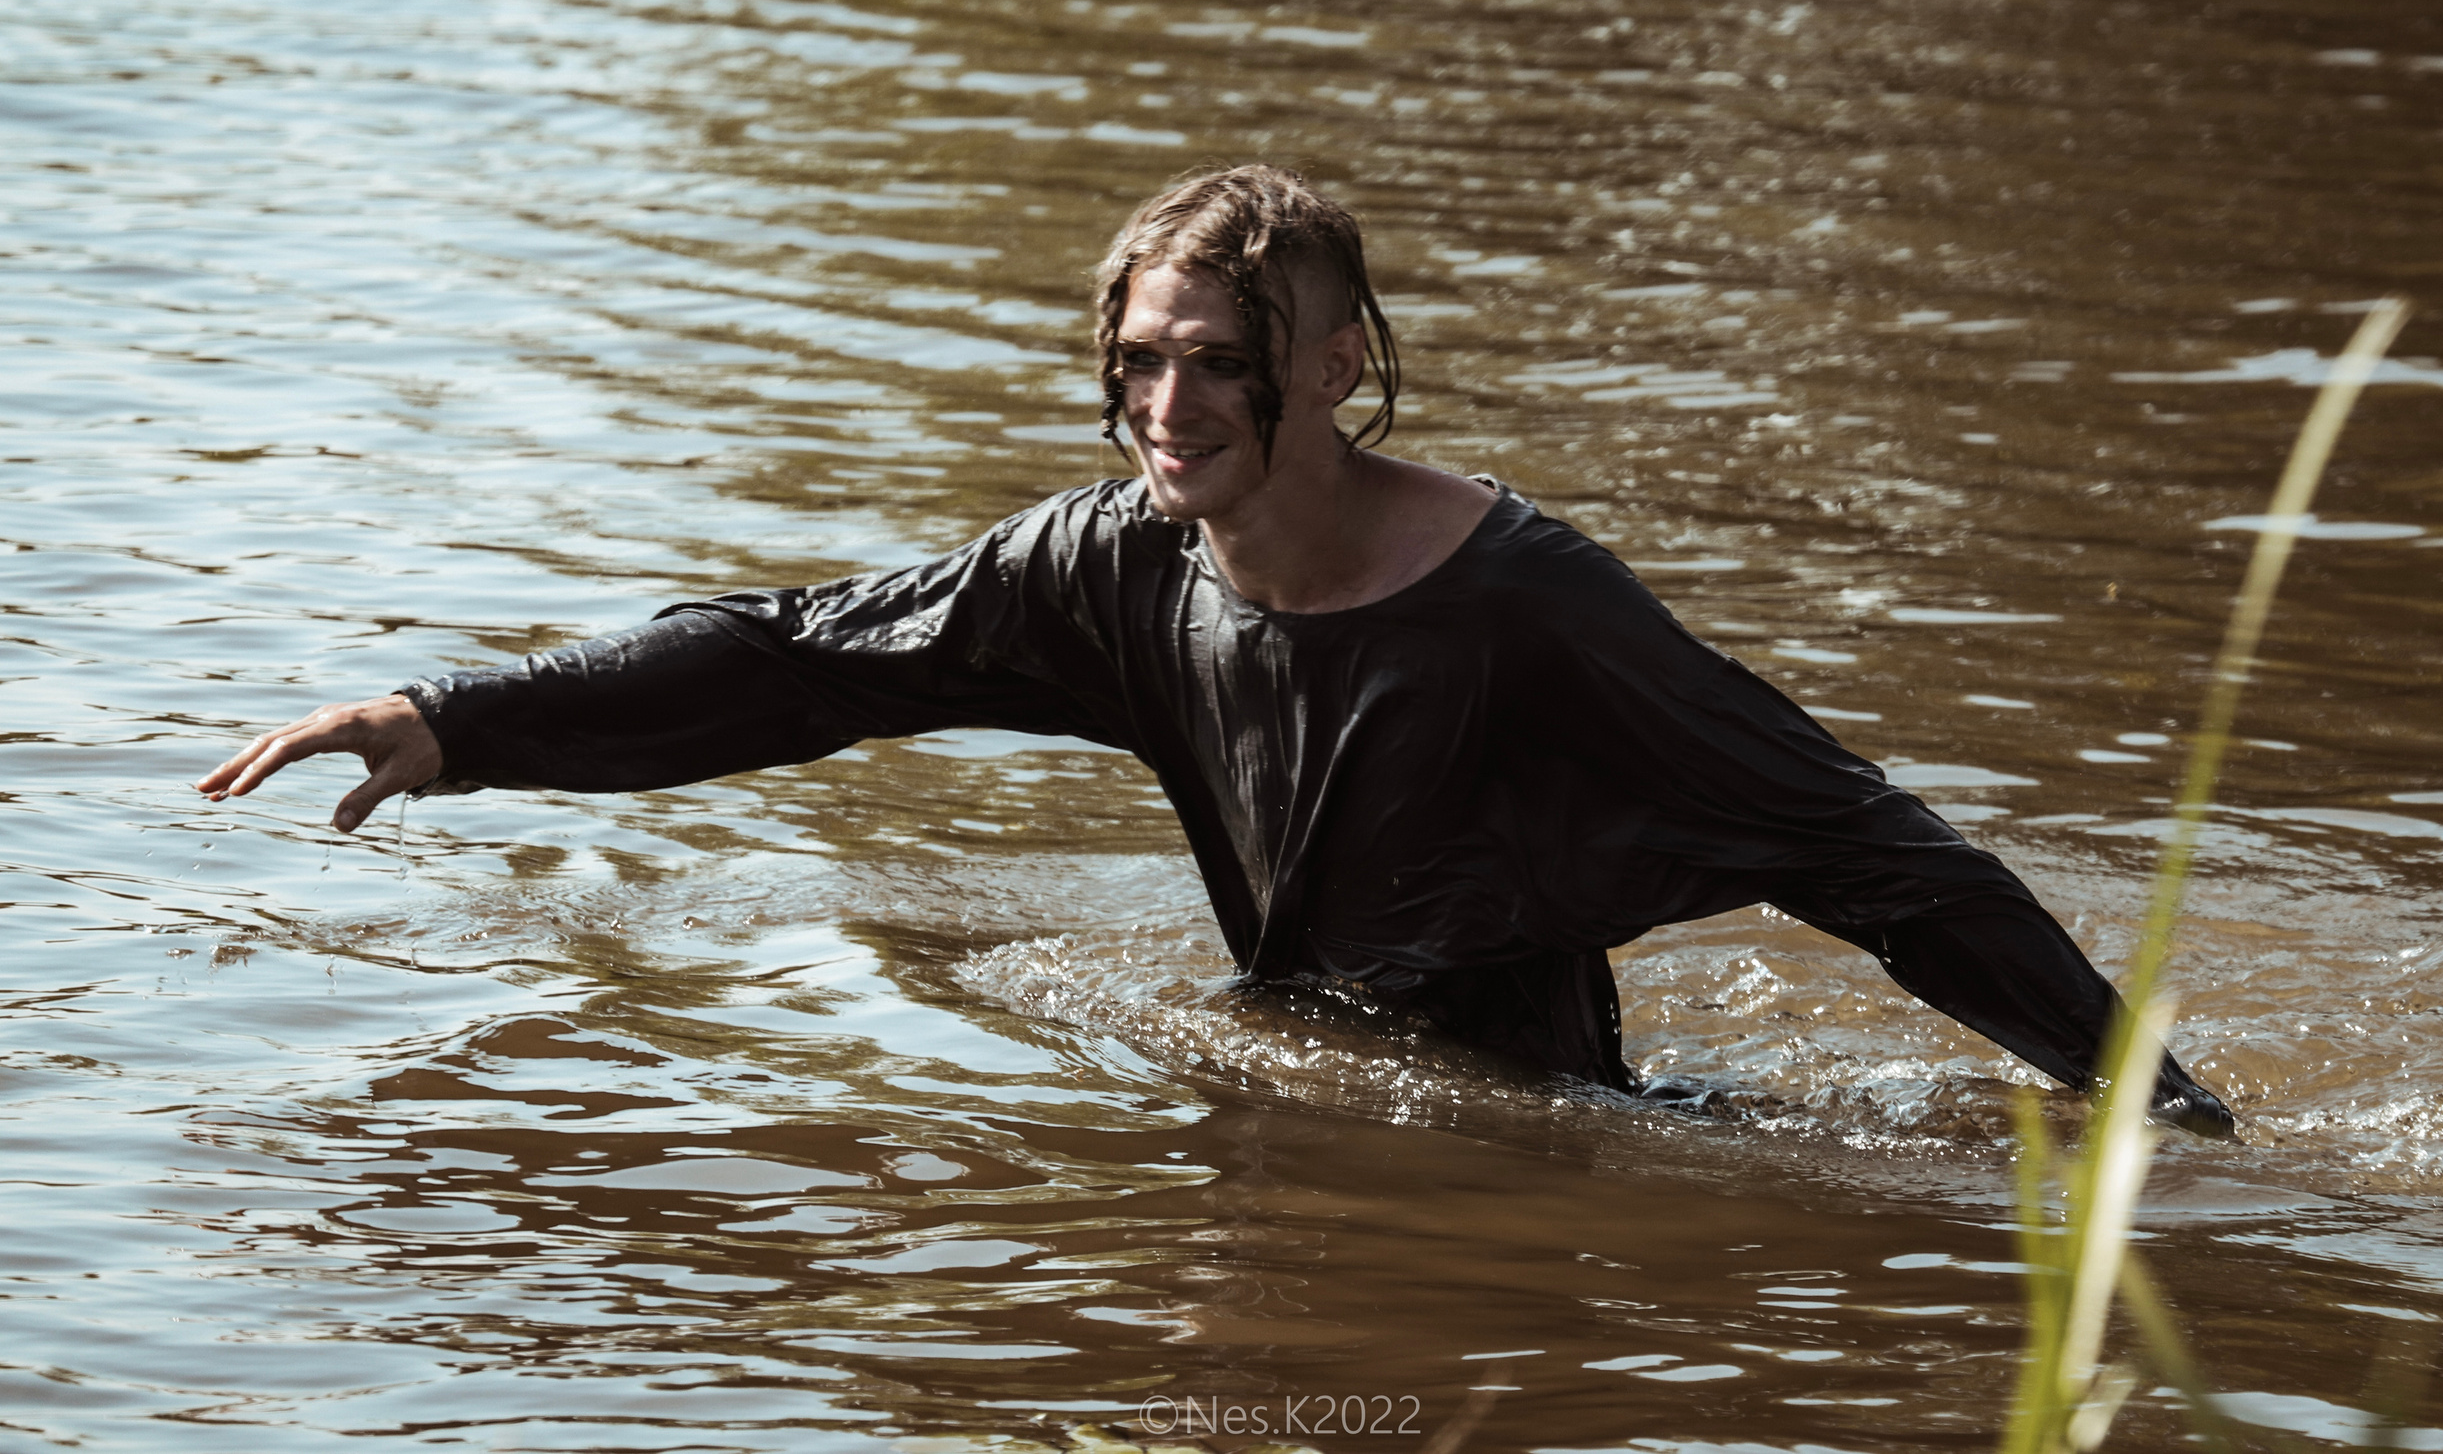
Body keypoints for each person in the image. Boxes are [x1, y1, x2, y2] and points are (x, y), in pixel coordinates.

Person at [197, 164, 2236, 1136]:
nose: (1168, 401)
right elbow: (800, 657)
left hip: (1538, 1124)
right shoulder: (1105, 565)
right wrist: (453, 719)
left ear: (1336, 368)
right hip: (1304, 1072)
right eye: (1139, 360)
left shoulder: (1528, 603)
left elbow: (1870, 848)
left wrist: (2147, 1104)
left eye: (1218, 361)